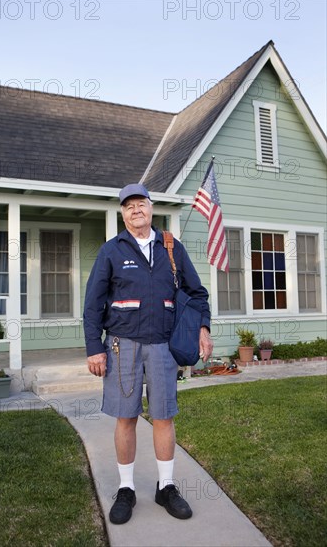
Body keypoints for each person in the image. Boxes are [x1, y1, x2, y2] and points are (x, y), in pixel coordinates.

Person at [83, 183, 213, 525]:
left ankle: (165, 486)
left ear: (151, 208)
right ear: (122, 213)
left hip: (163, 347)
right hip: (122, 346)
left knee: (163, 416)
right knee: (126, 417)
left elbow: (197, 293)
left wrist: (203, 328)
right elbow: (93, 305)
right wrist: (94, 348)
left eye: (140, 203)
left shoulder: (171, 248)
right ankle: (126, 489)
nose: (135, 210)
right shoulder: (111, 251)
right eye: (128, 206)